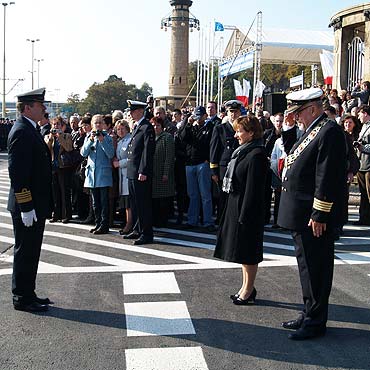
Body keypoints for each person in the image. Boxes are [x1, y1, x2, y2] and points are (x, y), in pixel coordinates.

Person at [278, 88, 347, 340]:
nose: (295, 117)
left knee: (316, 269)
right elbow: (294, 156)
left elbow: (326, 176)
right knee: (307, 266)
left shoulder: (328, 132)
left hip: (313, 215)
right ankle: (308, 312)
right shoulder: (313, 130)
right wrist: (287, 130)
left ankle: (316, 321)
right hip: (301, 212)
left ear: (313, 108)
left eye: (298, 113)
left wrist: (320, 214)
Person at [214, 115, 268, 305]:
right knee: (243, 252)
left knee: (249, 252)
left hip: (248, 210)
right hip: (237, 206)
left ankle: (248, 289)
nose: (236, 135)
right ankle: (246, 287)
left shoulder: (257, 155)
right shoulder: (243, 151)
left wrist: (245, 214)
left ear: (251, 133)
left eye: (240, 131)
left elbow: (254, 189)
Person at [7, 87, 53, 312]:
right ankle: (21, 297)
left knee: (32, 251)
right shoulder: (22, 131)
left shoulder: (30, 128)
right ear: (27, 108)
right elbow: (18, 174)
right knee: (25, 250)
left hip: (35, 204)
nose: (43, 108)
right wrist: (26, 206)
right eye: (39, 105)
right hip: (28, 205)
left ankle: (28, 292)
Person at [123, 100, 155, 245]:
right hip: (132, 171)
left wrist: (143, 170)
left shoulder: (147, 127)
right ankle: (137, 228)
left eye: (133, 110)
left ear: (140, 111)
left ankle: (146, 233)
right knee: (135, 203)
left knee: (143, 204)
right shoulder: (138, 126)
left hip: (140, 172)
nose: (130, 113)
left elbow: (147, 152)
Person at [179, 105, 215, 231]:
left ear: (205, 116)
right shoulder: (191, 127)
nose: (198, 119)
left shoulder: (210, 127)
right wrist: (188, 124)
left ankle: (208, 221)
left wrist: (209, 161)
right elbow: (182, 138)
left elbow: (212, 145)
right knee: (192, 195)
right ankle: (192, 220)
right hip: (190, 164)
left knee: (205, 195)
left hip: (203, 164)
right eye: (196, 116)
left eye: (200, 116)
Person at [81, 114, 114, 234]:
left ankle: (104, 225)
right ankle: (97, 222)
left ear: (104, 125)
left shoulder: (108, 137)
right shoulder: (89, 137)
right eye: (95, 123)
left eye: (100, 123)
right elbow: (83, 153)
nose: (98, 125)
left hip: (103, 174)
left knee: (104, 201)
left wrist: (102, 141)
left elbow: (110, 154)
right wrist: (90, 141)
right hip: (92, 174)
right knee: (95, 202)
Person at [210, 100, 241, 223]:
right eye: (231, 112)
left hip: (239, 167)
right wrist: (214, 171)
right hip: (224, 168)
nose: (233, 114)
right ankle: (222, 220)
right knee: (223, 196)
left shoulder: (242, 128)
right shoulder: (220, 129)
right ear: (227, 112)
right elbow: (214, 150)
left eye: (236, 111)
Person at [45, 116, 74, 224]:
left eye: (58, 124)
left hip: (64, 167)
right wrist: (52, 138)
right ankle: (56, 214)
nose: (56, 126)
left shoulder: (67, 136)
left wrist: (60, 136)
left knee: (64, 192)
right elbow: (46, 148)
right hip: (53, 167)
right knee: (55, 192)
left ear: (63, 126)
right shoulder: (49, 136)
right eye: (54, 124)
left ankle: (66, 215)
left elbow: (68, 148)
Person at [151, 116, 175, 227]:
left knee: (163, 199)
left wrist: (166, 173)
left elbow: (169, 157)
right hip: (153, 173)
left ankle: (163, 220)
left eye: (158, 125)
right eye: (153, 125)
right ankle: (155, 220)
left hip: (163, 173)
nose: (155, 127)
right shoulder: (151, 137)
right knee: (154, 200)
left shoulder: (167, 137)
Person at [112, 119, 132, 235]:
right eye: (118, 129)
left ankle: (129, 224)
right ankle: (127, 223)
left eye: (122, 129)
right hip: (122, 175)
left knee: (129, 203)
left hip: (128, 174)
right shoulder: (120, 142)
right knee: (125, 202)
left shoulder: (130, 140)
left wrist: (119, 163)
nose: (120, 131)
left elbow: (132, 158)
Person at [354, 105, 370, 225]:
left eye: (359, 114)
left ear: (365, 113)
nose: (358, 117)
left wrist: (362, 147)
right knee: (363, 193)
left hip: (369, 164)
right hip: (361, 163)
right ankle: (363, 217)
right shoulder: (364, 126)